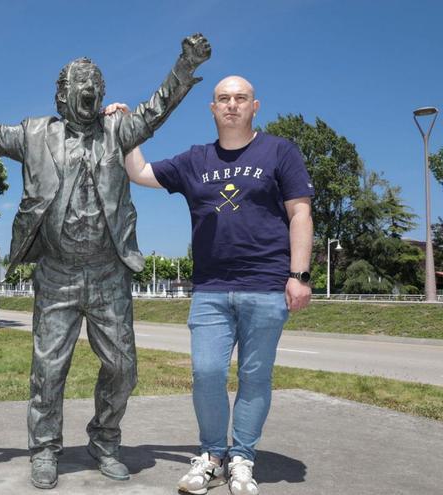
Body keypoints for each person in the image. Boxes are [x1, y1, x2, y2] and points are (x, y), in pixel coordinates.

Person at [0, 34, 210, 489]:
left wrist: (185, 64)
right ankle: (44, 449)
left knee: (123, 367)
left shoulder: (118, 130)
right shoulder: (34, 134)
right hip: (57, 275)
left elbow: (158, 107)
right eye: (81, 83)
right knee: (48, 369)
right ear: (62, 95)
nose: (90, 88)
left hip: (108, 273)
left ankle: (104, 441)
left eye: (95, 83)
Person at [110, 75, 313, 495]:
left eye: (241, 98)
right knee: (206, 373)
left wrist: (299, 276)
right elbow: (141, 172)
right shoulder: (195, 159)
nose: (232, 104)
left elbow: (300, 213)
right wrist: (126, 128)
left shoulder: (280, 151)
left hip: (265, 284)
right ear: (213, 108)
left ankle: (243, 457)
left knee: (255, 377)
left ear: (255, 106)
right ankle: (212, 455)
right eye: (224, 98)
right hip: (210, 288)